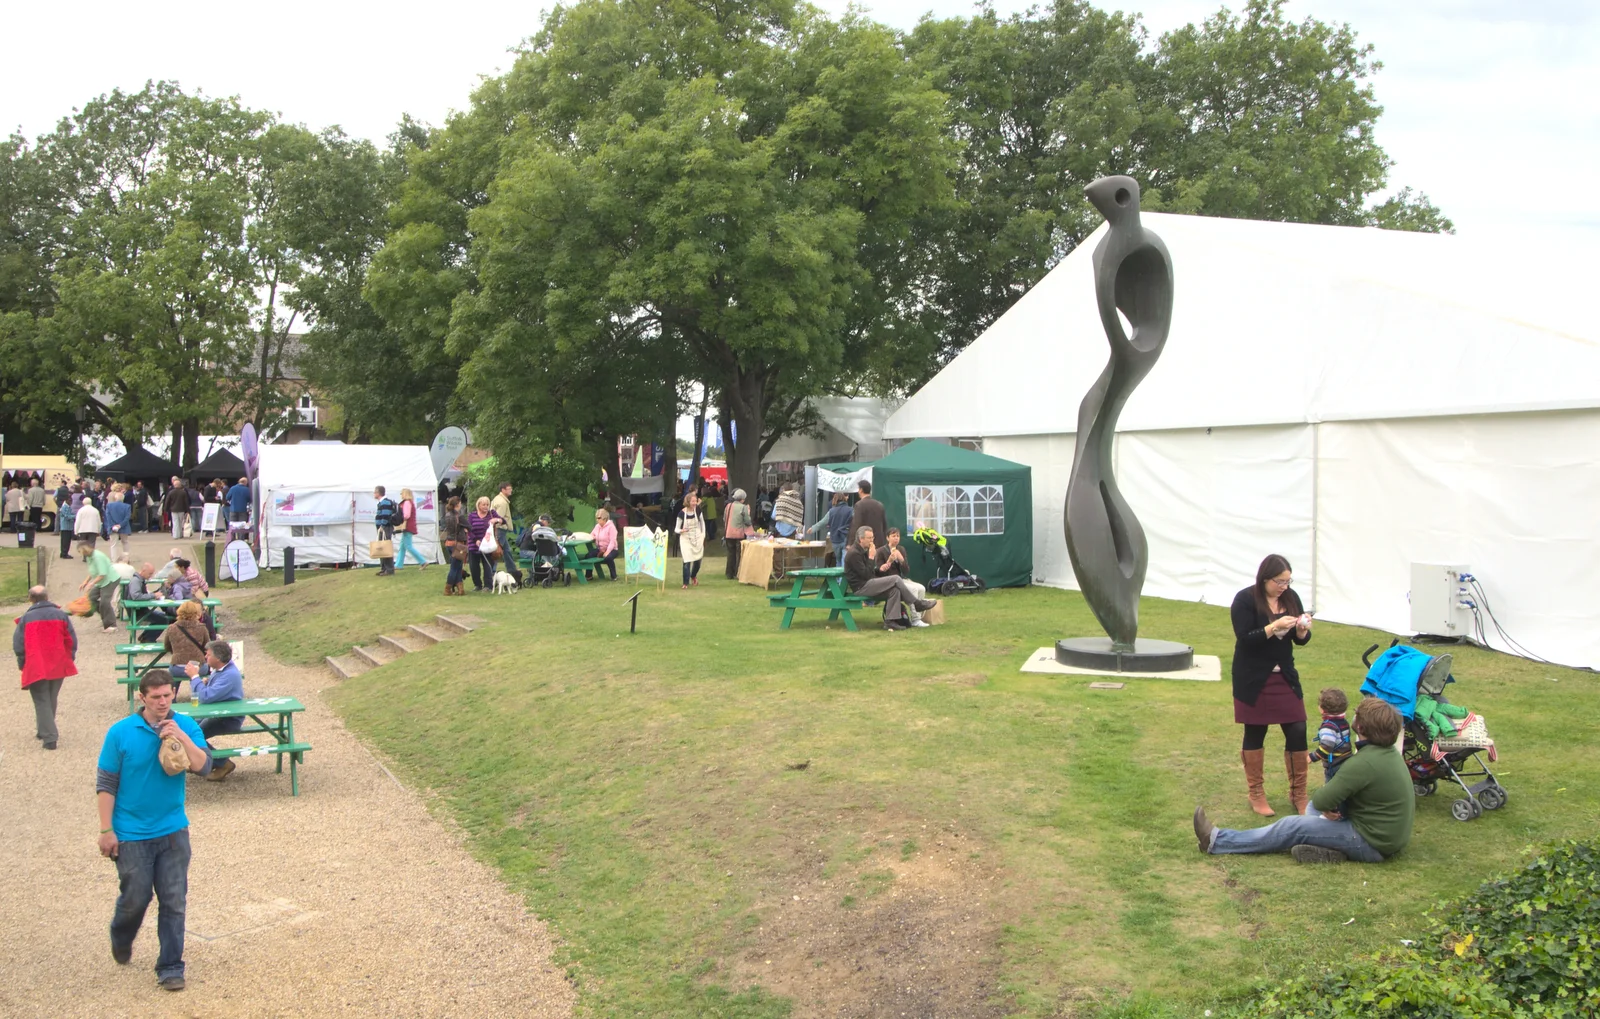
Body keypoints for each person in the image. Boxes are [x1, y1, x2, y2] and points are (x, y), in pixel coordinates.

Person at [97, 669, 212, 991]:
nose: (163, 702)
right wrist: (106, 829)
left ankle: (171, 966)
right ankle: (122, 934)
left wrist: (181, 735)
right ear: (142, 697)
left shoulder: (186, 725)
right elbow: (106, 783)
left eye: (167, 695)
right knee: (136, 897)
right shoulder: (120, 732)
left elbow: (205, 767)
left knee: (174, 899)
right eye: (156, 697)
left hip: (173, 828)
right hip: (131, 831)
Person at [1193, 697, 1413, 865]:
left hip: (1371, 842)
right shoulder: (1388, 754)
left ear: (1361, 728)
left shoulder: (1363, 763)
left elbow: (1322, 800)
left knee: (1293, 826)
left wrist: (1328, 809)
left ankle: (1217, 841)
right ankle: (1332, 852)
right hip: (1386, 838)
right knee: (1309, 812)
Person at [1231, 554, 1314, 817]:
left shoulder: (1291, 598)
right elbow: (1245, 639)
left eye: (1288, 581)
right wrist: (1273, 626)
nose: (1284, 587)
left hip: (1284, 676)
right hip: (1253, 677)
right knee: (1255, 732)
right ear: (1265, 578)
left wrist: (1301, 631)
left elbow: (1300, 641)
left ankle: (1299, 793)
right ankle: (1256, 792)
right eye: (1280, 581)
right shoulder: (1245, 599)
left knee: (1298, 728)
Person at [14, 585, 78, 750]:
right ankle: (44, 729)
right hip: (58, 662)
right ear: (47, 597)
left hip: (36, 663)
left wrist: (22, 663)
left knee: (41, 699)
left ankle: (50, 737)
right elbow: (71, 639)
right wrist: (69, 658)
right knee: (50, 697)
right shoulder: (61, 615)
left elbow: (19, 645)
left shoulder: (26, 618)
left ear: (31, 599)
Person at [843, 527, 936, 630]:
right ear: (861, 539)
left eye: (872, 537)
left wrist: (880, 569)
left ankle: (890, 622)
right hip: (861, 587)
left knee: (894, 590)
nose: (872, 540)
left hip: (868, 582)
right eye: (869, 538)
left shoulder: (863, 550)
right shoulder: (854, 553)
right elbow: (865, 575)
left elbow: (870, 571)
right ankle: (917, 603)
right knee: (896, 579)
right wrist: (871, 557)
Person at [184, 640, 245, 781]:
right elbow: (207, 694)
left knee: (193, 736)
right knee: (188, 729)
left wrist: (195, 677)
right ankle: (203, 761)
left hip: (227, 718)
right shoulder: (221, 670)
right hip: (214, 714)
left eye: (208, 654)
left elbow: (205, 697)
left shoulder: (230, 675)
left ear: (218, 658)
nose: (205, 657)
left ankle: (223, 763)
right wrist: (204, 682)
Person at [875, 528, 932, 627]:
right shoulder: (880, 551)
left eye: (898, 536)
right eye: (893, 536)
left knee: (921, 588)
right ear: (887, 538)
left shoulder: (901, 549)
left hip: (901, 579)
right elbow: (880, 571)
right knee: (913, 589)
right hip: (889, 581)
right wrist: (890, 561)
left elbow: (906, 571)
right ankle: (915, 619)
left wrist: (901, 559)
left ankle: (919, 617)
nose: (896, 538)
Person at [161, 602, 213, 690]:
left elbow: (167, 646)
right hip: (199, 667)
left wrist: (178, 651)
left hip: (177, 667)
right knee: (200, 670)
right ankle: (197, 693)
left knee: (173, 673)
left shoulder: (172, 628)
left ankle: (172, 697)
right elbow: (207, 647)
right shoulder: (202, 628)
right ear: (196, 613)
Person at [78, 542, 120, 633]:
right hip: (101, 582)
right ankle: (106, 616)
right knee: (91, 598)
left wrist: (91, 584)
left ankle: (112, 624)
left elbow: (102, 574)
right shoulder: (89, 557)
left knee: (105, 602)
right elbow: (92, 571)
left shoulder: (98, 557)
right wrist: (85, 582)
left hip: (109, 580)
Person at [126, 563, 172, 639]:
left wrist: (154, 595)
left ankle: (145, 637)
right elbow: (136, 596)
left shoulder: (140, 580)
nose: (150, 576)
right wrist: (153, 595)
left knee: (163, 616)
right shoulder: (136, 581)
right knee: (163, 620)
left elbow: (141, 595)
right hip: (137, 612)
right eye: (149, 574)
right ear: (143, 571)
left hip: (141, 610)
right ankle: (148, 638)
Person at [808, 492, 854, 567]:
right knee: (845, 560)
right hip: (846, 537)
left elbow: (822, 522)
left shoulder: (831, 511)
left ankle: (838, 578)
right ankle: (843, 578)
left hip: (835, 539)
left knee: (838, 561)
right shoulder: (850, 510)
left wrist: (813, 528)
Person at [467, 496, 502, 592]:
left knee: (487, 566)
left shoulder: (492, 513)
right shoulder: (472, 515)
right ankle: (477, 585)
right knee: (474, 567)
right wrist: (475, 540)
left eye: (487, 504)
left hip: (488, 545)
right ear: (478, 505)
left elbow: (503, 520)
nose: (486, 506)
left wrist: (497, 520)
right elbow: (468, 529)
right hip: (474, 545)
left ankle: (488, 585)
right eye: (483, 505)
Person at [675, 491, 706, 588]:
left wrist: (703, 535)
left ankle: (693, 576)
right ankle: (685, 583)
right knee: (687, 560)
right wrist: (681, 530)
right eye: (693, 501)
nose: (695, 503)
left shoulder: (698, 510)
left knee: (698, 560)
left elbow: (702, 523)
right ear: (688, 501)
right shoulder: (681, 513)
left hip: (697, 537)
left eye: (695, 501)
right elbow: (676, 529)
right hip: (685, 539)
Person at [393, 488, 428, 571]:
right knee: (402, 546)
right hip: (409, 526)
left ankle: (423, 561)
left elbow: (406, 515)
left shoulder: (407, 502)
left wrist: (399, 518)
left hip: (407, 526)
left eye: (402, 493)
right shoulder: (409, 502)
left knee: (408, 546)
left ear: (405, 494)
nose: (401, 495)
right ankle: (398, 564)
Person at [440, 496, 469, 596]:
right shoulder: (459, 516)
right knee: (455, 567)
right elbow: (469, 526)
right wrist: (465, 529)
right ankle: (448, 589)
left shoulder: (447, 515)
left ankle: (460, 589)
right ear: (457, 504)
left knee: (457, 566)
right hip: (458, 544)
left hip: (449, 542)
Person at [723, 488, 752, 580]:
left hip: (728, 533)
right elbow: (747, 521)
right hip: (739, 534)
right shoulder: (743, 507)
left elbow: (724, 518)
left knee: (730, 553)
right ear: (742, 499)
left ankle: (729, 573)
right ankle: (737, 572)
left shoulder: (728, 506)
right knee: (738, 553)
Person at [850, 479, 887, 546]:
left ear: (861, 490)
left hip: (864, 543)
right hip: (879, 542)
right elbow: (884, 525)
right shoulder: (880, 505)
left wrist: (851, 542)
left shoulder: (859, 505)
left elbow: (856, 524)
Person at [588, 507, 619, 580]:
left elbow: (612, 541)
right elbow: (591, 535)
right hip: (600, 549)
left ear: (605, 518)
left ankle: (614, 576)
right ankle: (588, 575)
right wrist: (592, 537)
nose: (597, 520)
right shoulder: (597, 526)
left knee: (608, 558)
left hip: (612, 549)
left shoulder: (611, 527)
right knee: (589, 555)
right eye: (596, 518)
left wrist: (607, 551)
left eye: (599, 518)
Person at [372, 486, 397, 576]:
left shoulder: (385, 502)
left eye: (375, 492)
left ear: (379, 493)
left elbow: (386, 515)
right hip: (381, 528)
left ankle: (389, 569)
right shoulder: (381, 503)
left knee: (386, 547)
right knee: (381, 547)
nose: (374, 494)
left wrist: (382, 525)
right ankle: (383, 567)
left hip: (385, 528)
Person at [105, 484, 133, 560]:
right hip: (124, 527)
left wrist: (113, 525)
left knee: (113, 544)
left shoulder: (109, 506)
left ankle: (114, 559)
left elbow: (108, 517)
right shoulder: (127, 506)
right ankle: (126, 558)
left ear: (115, 498)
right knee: (125, 542)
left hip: (112, 527)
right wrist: (120, 525)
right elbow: (127, 517)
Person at [490, 482, 515, 556]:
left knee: (507, 550)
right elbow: (499, 517)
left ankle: (511, 567)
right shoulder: (502, 502)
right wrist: (497, 528)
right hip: (500, 528)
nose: (511, 490)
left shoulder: (497, 498)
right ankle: (492, 567)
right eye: (509, 489)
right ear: (503, 490)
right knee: (497, 549)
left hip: (498, 528)